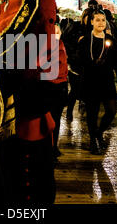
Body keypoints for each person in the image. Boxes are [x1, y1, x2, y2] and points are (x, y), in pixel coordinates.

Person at [78, 10, 117, 154]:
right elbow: (81, 61)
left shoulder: (111, 40)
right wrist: (92, 63)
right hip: (90, 81)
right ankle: (93, 140)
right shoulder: (85, 40)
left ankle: (99, 132)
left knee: (111, 110)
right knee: (92, 112)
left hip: (107, 81)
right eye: (97, 20)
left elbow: (116, 63)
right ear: (91, 22)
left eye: (103, 20)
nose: (101, 23)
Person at [49, 20, 68, 162]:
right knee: (50, 120)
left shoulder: (61, 44)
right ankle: (49, 148)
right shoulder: (47, 45)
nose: (56, 34)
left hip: (60, 85)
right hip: (49, 86)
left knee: (56, 120)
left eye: (58, 31)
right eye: (53, 31)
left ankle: (53, 146)